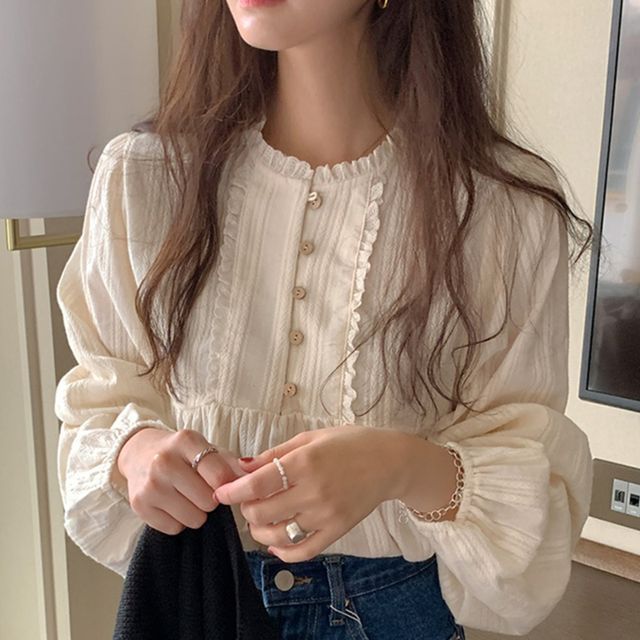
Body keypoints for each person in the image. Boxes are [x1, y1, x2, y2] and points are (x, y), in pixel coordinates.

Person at [54, 1, 595, 638]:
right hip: (195, 596)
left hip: (393, 612)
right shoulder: (144, 178)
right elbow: (99, 402)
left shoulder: (502, 209)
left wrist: (396, 465)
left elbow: (526, 470)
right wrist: (136, 452)